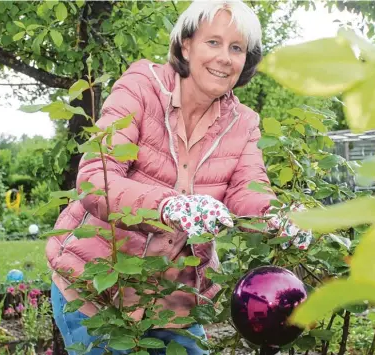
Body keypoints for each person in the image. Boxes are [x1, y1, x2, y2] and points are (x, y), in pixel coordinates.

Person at [46, 1, 312, 354]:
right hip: (95, 290)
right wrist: (169, 207)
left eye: (237, 48)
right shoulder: (142, 86)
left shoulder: (244, 121)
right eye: (213, 42)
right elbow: (97, 180)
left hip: (173, 301)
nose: (224, 58)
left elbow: (248, 192)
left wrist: (276, 216)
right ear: (186, 45)